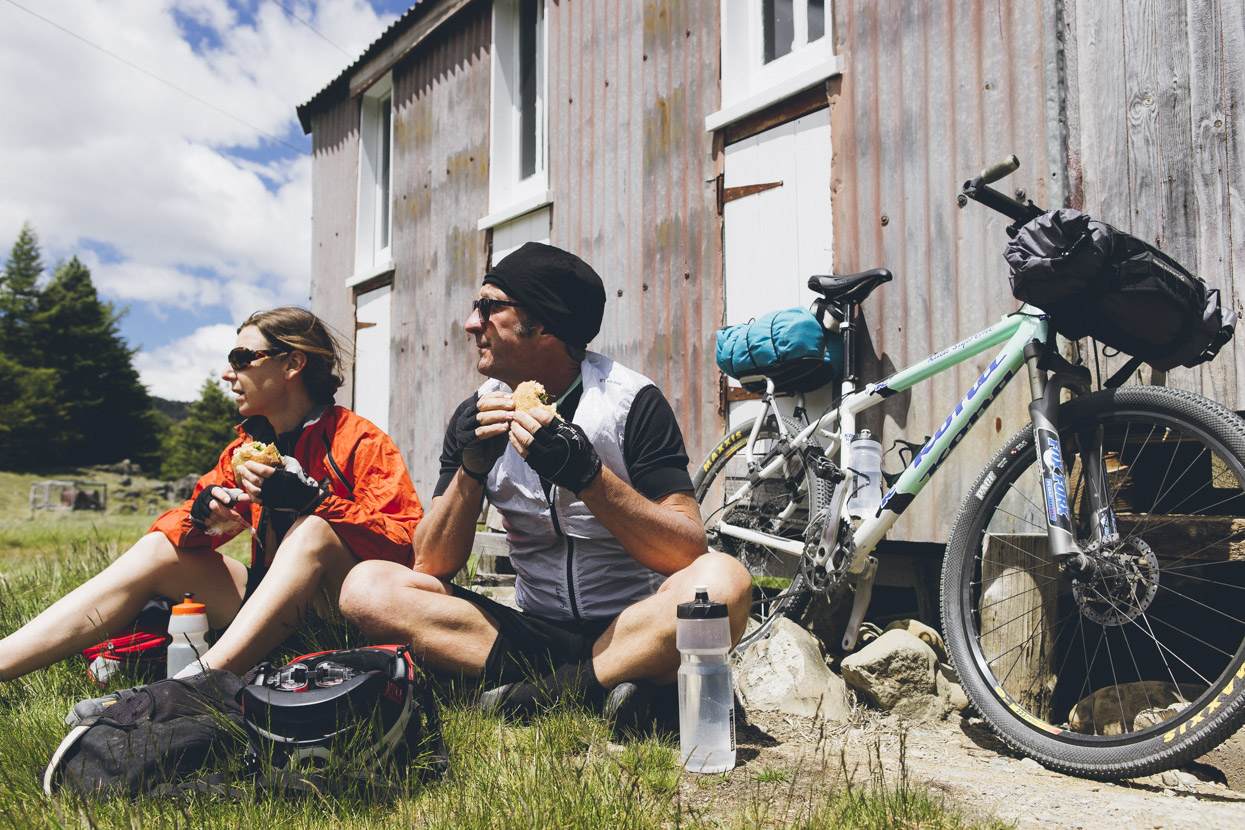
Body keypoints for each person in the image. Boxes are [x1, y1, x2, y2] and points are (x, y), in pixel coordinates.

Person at [339, 242, 752, 727]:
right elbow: (432, 563)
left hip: (632, 622)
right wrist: (472, 470)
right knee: (366, 588)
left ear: (544, 324)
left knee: (725, 580)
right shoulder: (478, 412)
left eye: (489, 307)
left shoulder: (631, 402)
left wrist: (591, 480)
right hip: (527, 630)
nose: (472, 323)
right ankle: (615, 685)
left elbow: (686, 550)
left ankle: (539, 695)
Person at [0, 306, 423, 683]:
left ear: (293, 363)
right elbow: (176, 530)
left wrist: (316, 504)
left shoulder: (360, 440)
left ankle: (191, 688)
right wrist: (201, 515)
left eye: (242, 359)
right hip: (265, 597)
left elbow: (407, 547)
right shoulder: (245, 448)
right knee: (158, 551)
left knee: (313, 531)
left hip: (338, 612)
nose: (227, 374)